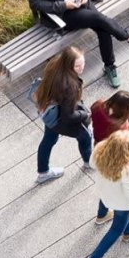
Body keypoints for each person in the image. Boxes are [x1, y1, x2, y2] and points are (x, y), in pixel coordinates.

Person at [82, 132, 129, 258]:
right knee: (116, 229)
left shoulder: (100, 149)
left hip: (105, 192)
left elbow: (92, 164)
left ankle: (127, 230)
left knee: (118, 218)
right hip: (121, 203)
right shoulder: (126, 169)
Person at [33, 46, 91, 185]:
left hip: (48, 112)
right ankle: (88, 162)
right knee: (85, 136)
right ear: (68, 64)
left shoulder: (55, 65)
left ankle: (43, 173)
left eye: (83, 63)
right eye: (77, 66)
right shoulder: (70, 86)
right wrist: (86, 114)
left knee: (48, 140)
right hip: (60, 118)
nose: (81, 68)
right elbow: (69, 116)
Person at [91, 90, 129, 226]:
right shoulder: (124, 128)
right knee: (117, 189)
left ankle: (103, 215)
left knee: (108, 186)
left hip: (99, 152)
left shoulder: (98, 106)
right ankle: (127, 229)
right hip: (116, 160)